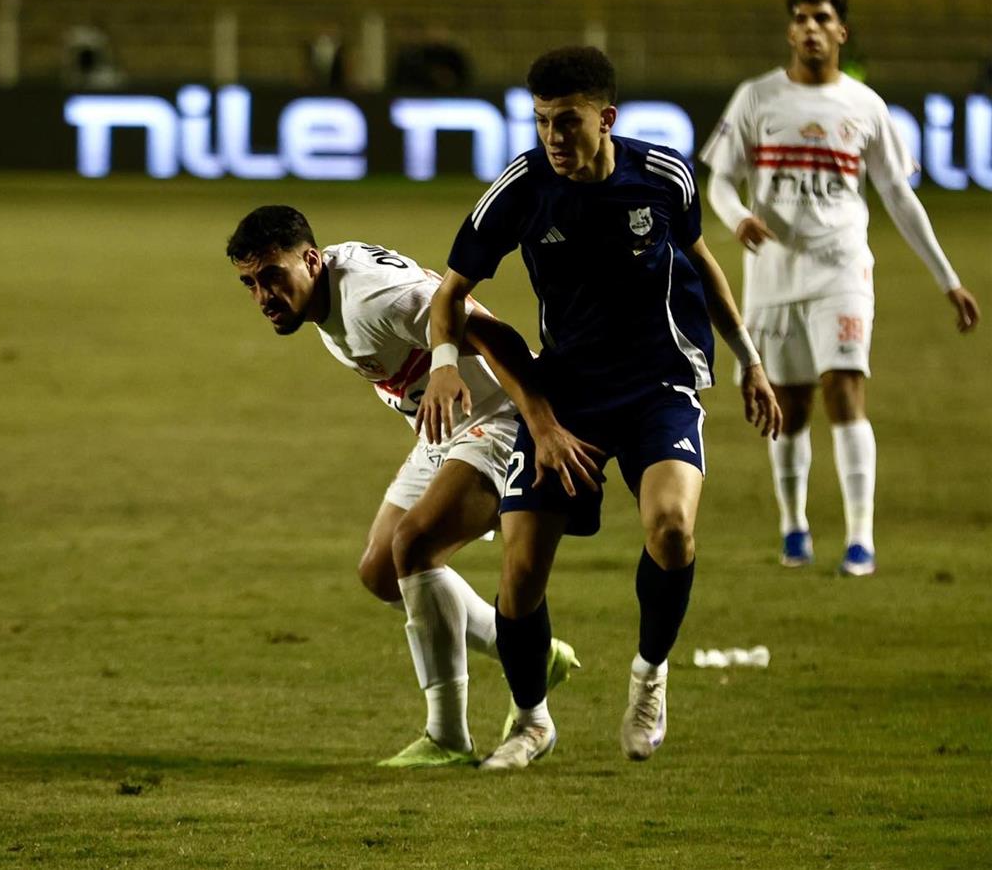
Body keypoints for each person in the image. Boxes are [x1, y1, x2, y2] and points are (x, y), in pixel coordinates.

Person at [418, 46, 781, 770]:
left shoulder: (663, 175)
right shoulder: (519, 189)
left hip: (658, 385)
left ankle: (650, 676)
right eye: (542, 121)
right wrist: (443, 364)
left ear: (605, 118)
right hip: (567, 393)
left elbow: (701, 262)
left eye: (568, 121)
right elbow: (450, 295)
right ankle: (530, 722)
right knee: (520, 574)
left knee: (672, 529)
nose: (553, 136)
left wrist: (750, 361)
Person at [225, 206, 579, 769]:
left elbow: (490, 331)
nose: (263, 295)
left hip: (501, 415)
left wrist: (540, 423)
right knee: (380, 570)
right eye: (250, 283)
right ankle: (532, 656)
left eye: (273, 276)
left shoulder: (372, 300)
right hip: (445, 426)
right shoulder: (329, 287)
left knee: (414, 546)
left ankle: (447, 736)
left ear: (312, 261)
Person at [700, 0, 981, 577]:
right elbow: (719, 179)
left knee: (845, 390)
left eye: (821, 18)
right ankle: (794, 526)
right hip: (773, 274)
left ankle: (860, 538)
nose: (810, 28)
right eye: (800, 18)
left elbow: (899, 198)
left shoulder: (866, 106)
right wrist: (738, 216)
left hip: (842, 266)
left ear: (840, 32)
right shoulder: (756, 98)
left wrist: (948, 279)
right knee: (791, 406)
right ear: (790, 30)